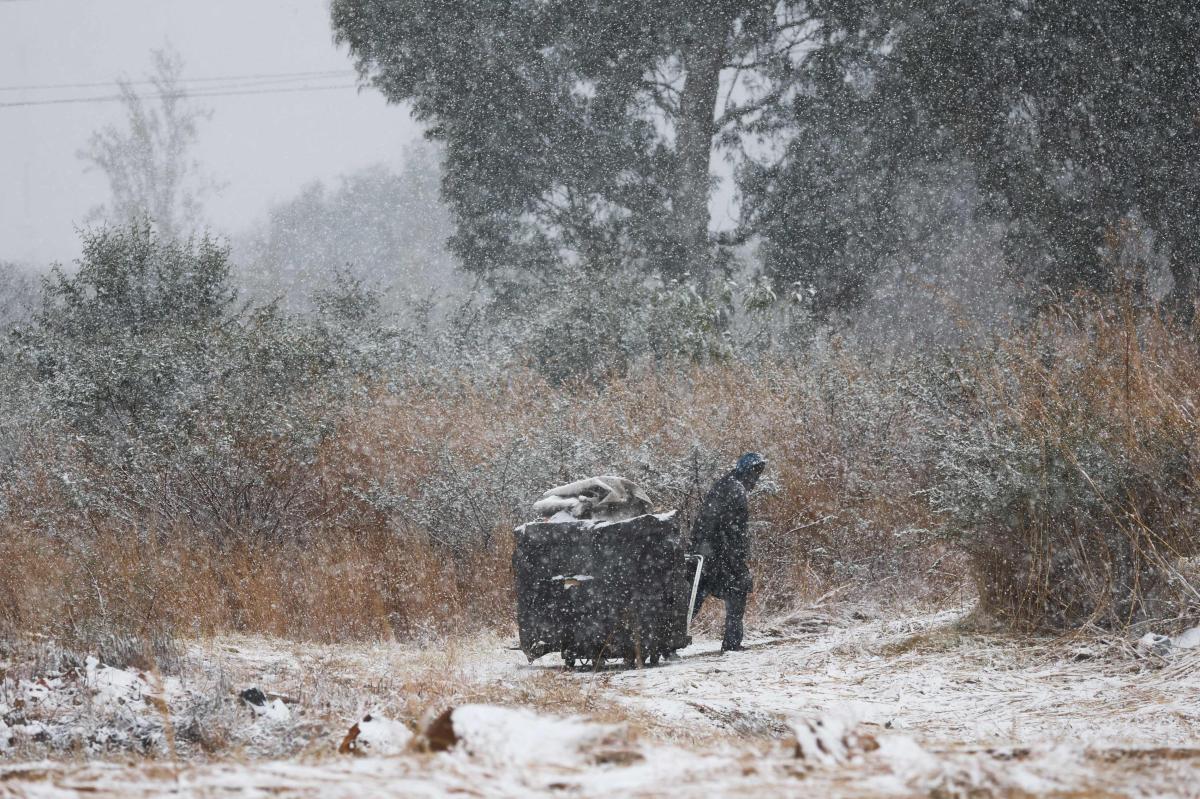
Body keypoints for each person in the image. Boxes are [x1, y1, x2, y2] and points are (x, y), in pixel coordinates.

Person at [689, 452, 767, 652]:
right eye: (755, 473)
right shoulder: (736, 490)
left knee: (695, 595)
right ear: (747, 471)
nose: (756, 479)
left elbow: (709, 520)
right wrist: (736, 558)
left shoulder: (725, 485)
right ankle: (732, 643)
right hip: (719, 554)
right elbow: (733, 529)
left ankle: (669, 636)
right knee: (737, 591)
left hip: (705, 552)